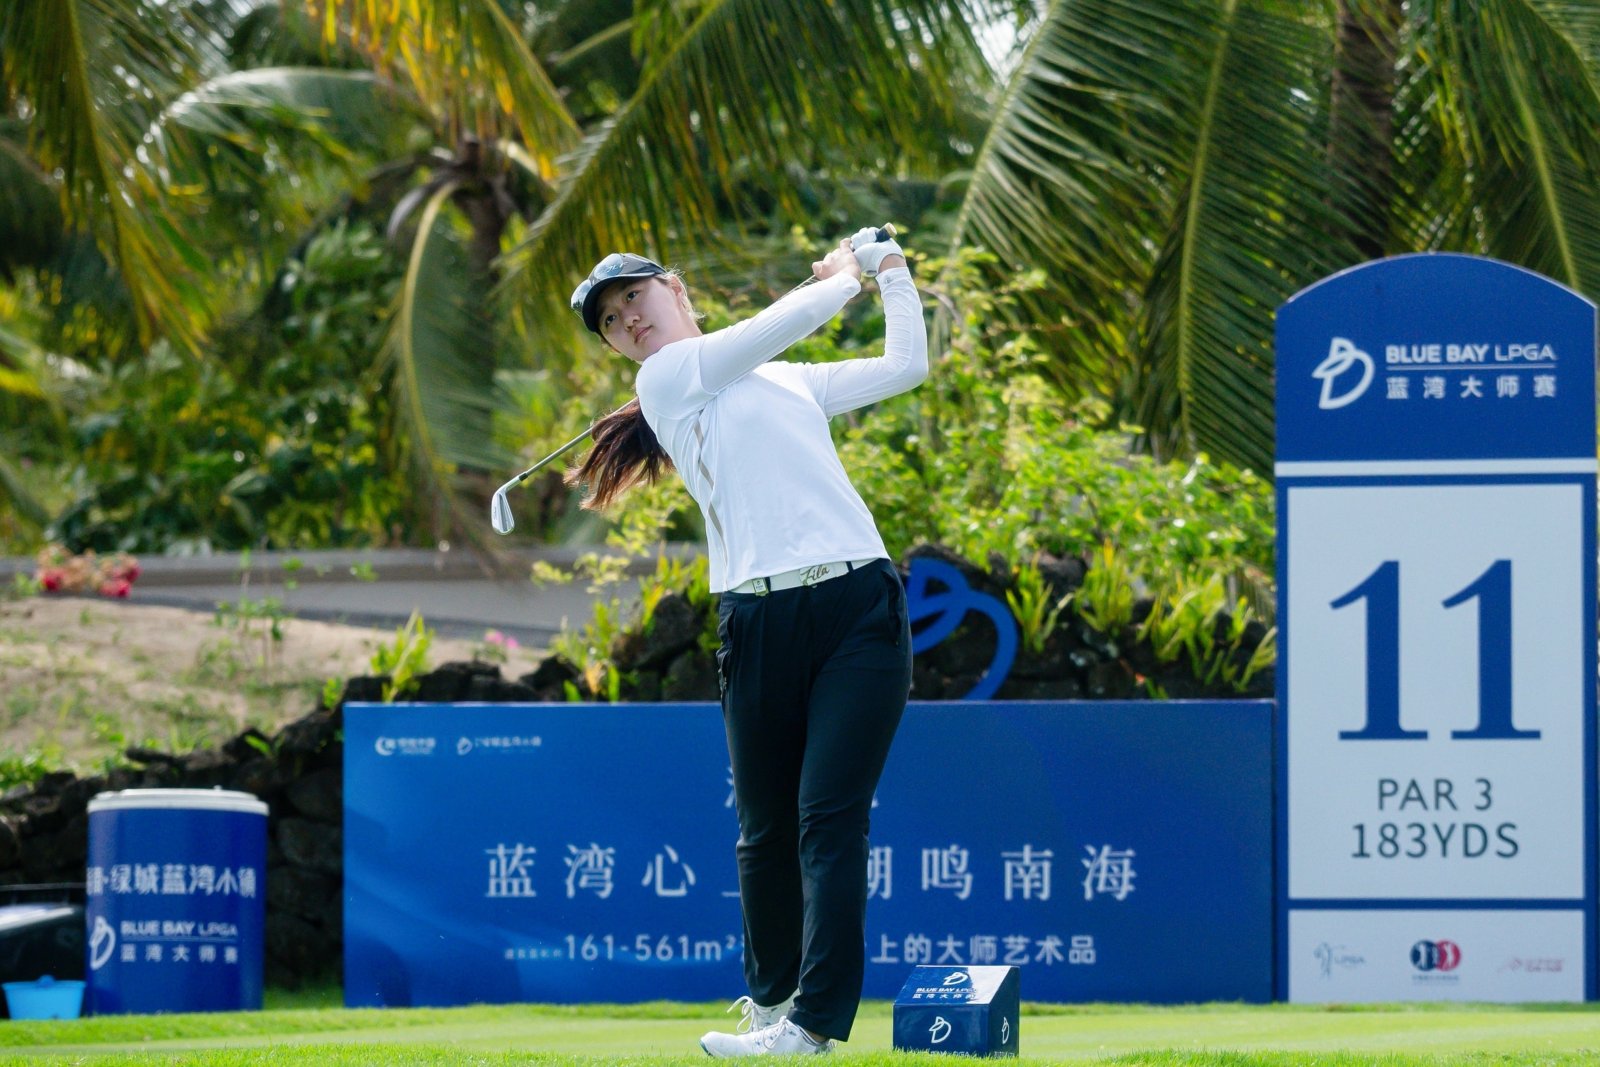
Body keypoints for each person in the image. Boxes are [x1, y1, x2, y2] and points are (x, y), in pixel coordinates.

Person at [566, 229, 927, 1057]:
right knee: (765, 829)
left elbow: (905, 366)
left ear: (675, 289)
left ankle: (814, 1026)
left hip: (858, 608)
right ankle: (771, 1006)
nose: (628, 320)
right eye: (612, 320)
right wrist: (843, 275)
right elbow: (770, 328)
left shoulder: (790, 381)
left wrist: (890, 271)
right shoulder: (666, 380)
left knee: (828, 819)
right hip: (757, 617)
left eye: (634, 298)